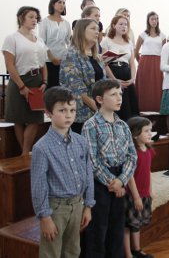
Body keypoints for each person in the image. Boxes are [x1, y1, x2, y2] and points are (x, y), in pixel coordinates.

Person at [31, 87, 94, 258]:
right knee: (51, 253)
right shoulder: (41, 148)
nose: (68, 115)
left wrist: (88, 205)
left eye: (72, 110)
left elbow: (88, 174)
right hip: (55, 209)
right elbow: (39, 186)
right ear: (49, 113)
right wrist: (45, 217)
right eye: (62, 110)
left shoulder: (81, 142)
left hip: (78, 205)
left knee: (73, 251)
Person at [82, 79, 137, 258]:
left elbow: (131, 156)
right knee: (98, 229)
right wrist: (111, 182)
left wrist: (121, 180)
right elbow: (92, 159)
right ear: (99, 99)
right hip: (99, 183)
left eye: (120, 94)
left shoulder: (123, 125)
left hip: (120, 178)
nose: (119, 98)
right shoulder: (91, 125)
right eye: (113, 94)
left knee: (117, 227)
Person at [2, 6, 48, 155]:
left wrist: (44, 82)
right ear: (22, 18)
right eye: (31, 17)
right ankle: (24, 153)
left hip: (37, 80)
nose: (35, 20)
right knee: (19, 118)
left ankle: (25, 151)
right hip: (19, 80)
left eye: (36, 17)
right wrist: (22, 87)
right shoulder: (12, 38)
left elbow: (43, 64)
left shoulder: (39, 40)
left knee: (35, 118)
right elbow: (9, 65)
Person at [60, 18, 105, 134]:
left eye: (98, 29)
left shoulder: (97, 57)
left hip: (98, 112)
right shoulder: (71, 54)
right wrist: (100, 110)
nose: (97, 32)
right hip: (81, 115)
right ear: (81, 31)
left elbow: (103, 84)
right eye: (93, 28)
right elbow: (78, 90)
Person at [124, 116, 156, 258]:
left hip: (144, 193)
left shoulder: (148, 149)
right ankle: (128, 253)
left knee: (136, 224)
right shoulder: (133, 153)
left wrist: (150, 190)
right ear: (135, 134)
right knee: (127, 224)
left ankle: (137, 249)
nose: (150, 134)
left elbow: (148, 171)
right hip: (132, 195)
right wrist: (136, 196)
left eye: (151, 130)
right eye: (146, 131)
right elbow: (129, 176)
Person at [101, 14, 139, 121]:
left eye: (126, 25)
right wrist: (114, 79)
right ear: (114, 25)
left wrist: (132, 79)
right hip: (113, 74)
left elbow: (132, 63)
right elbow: (104, 63)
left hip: (126, 76)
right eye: (121, 24)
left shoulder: (129, 42)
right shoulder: (106, 41)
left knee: (129, 106)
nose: (124, 27)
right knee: (117, 105)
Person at [134, 11, 166, 112]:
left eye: (156, 19)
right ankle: (142, 110)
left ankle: (156, 111)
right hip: (145, 63)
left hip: (157, 63)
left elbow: (165, 52)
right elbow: (136, 51)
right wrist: (142, 63)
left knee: (156, 86)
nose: (154, 21)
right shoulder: (143, 35)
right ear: (148, 20)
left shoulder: (162, 36)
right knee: (144, 87)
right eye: (152, 19)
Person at [39, 0, 71, 89]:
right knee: (50, 88)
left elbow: (69, 42)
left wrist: (66, 58)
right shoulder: (44, 21)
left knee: (60, 89)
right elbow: (41, 42)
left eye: (64, 3)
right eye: (59, 2)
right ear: (53, 4)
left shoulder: (66, 23)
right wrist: (52, 58)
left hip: (62, 61)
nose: (62, 5)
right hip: (47, 60)